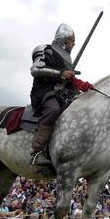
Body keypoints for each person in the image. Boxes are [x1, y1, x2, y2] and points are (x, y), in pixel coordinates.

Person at [29, 23, 94, 166]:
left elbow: (69, 79)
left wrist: (82, 85)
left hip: (63, 94)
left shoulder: (67, 60)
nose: (74, 44)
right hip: (45, 92)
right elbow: (35, 70)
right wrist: (60, 73)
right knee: (53, 110)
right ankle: (37, 152)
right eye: (72, 40)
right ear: (64, 40)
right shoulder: (45, 50)